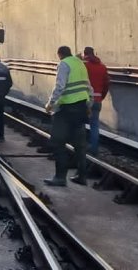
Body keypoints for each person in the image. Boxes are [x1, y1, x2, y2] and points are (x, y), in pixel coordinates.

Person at [42, 46, 92, 187]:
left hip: (66, 109)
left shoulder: (64, 64)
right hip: (81, 107)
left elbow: (60, 86)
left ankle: (60, 178)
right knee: (80, 145)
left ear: (60, 54)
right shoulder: (80, 63)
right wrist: (88, 106)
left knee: (58, 142)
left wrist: (50, 104)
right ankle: (82, 176)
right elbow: (89, 87)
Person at [82, 47, 111, 154]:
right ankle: (94, 149)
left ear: (85, 54)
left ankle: (81, 148)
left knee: (80, 124)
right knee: (94, 125)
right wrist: (101, 97)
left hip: (84, 100)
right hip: (97, 99)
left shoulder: (84, 66)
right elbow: (106, 84)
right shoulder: (102, 67)